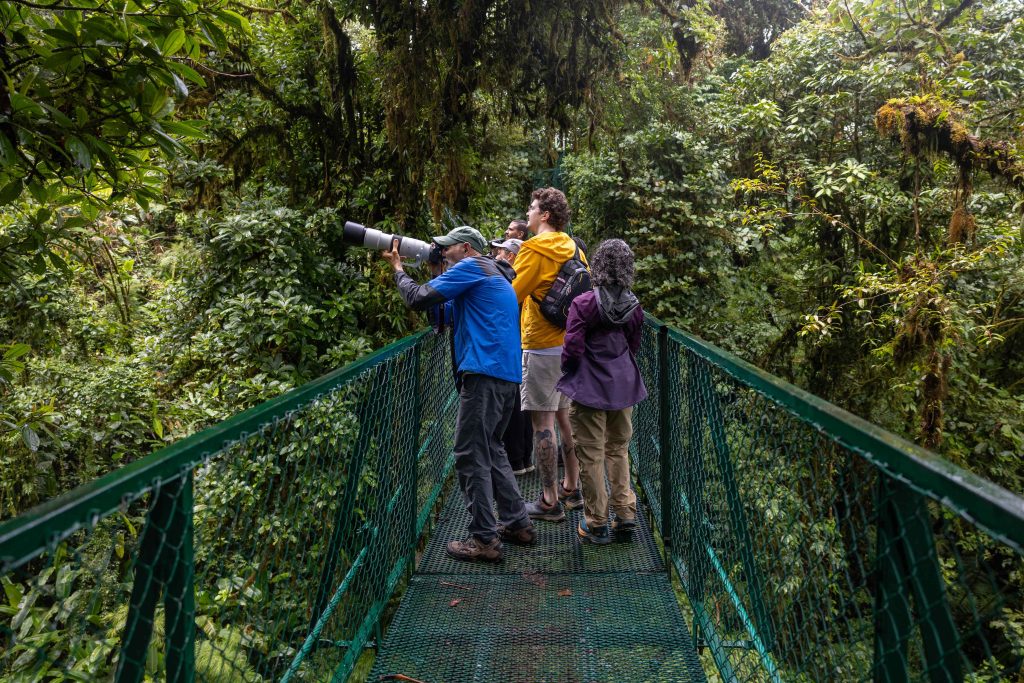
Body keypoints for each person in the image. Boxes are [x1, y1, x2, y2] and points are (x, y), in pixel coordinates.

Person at [384, 226, 535, 561]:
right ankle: (517, 523)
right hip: (505, 376)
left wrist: (398, 269)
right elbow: (441, 313)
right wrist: (437, 271)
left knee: (469, 453)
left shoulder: (471, 268)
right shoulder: (491, 275)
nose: (441, 252)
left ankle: (484, 540)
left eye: (446, 249)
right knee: (492, 449)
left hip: (484, 374)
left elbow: (417, 298)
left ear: (465, 248)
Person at [556, 239, 647, 544]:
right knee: (618, 449)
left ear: (598, 265)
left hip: (589, 388)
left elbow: (572, 348)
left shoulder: (584, 303)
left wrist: (571, 372)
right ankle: (625, 514)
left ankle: (596, 522)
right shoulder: (634, 307)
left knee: (591, 454)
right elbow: (633, 346)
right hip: (624, 386)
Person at [512, 188, 585, 522]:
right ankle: (573, 485)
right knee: (564, 418)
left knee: (542, 422)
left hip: (540, 345)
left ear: (544, 215)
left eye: (532, 208)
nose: (527, 212)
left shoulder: (532, 249)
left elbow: (512, 295)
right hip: (569, 345)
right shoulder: (573, 247)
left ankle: (549, 501)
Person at [488, 237, 533, 474]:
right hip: (522, 347)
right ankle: (525, 458)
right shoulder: (519, 280)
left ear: (512, 256)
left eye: (501, 251)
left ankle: (515, 459)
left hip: (515, 350)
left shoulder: (513, 283)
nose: (496, 256)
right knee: (525, 404)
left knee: (516, 404)